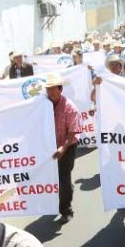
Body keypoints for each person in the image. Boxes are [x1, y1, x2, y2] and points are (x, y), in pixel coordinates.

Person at [45, 73, 81, 224]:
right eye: (48, 89)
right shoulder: (44, 104)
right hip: (49, 145)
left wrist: (62, 148)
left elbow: (72, 132)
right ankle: (63, 194)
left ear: (60, 89)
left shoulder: (70, 108)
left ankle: (66, 210)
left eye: (53, 89)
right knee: (55, 177)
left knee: (64, 177)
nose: (51, 92)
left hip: (68, 145)